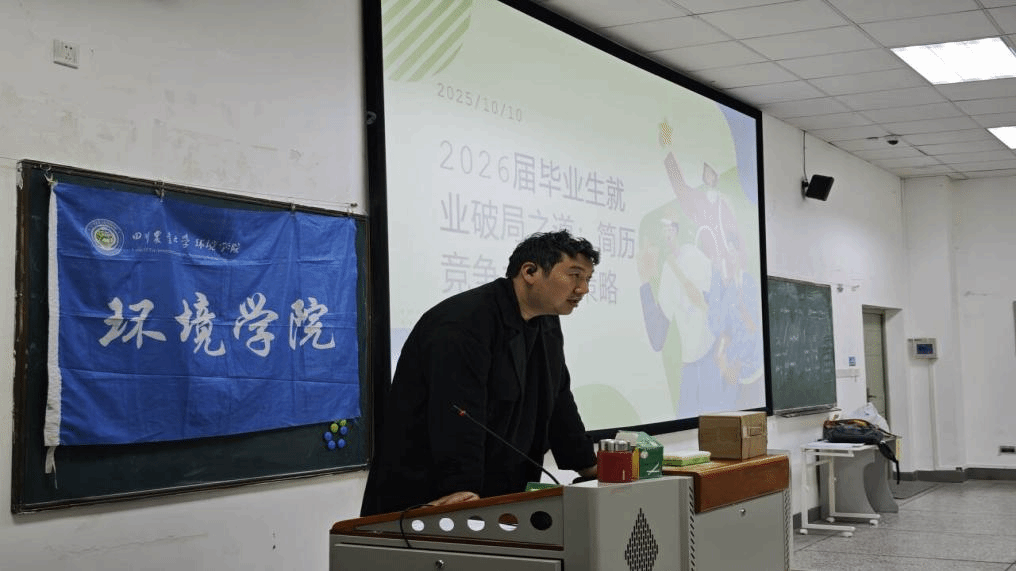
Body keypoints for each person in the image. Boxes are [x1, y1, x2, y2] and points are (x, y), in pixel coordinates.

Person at [360, 230, 600, 516]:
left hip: (500, 496)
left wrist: (589, 465)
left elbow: (558, 401)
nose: (583, 289)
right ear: (530, 272)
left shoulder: (546, 323)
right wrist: (461, 486)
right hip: (427, 498)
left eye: (587, 279)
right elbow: (456, 412)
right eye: (574, 276)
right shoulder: (462, 322)